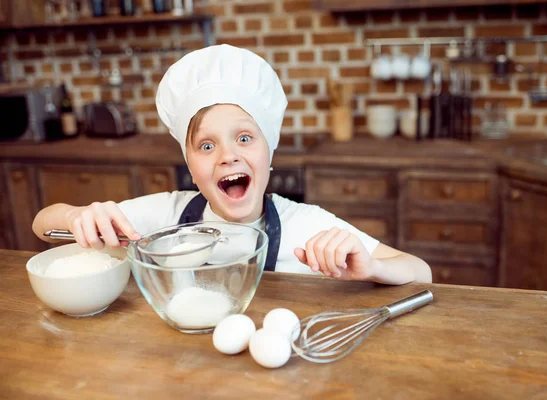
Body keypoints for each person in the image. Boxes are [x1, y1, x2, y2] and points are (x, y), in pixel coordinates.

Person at [32, 44, 431, 285]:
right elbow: (43, 225)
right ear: (190, 168)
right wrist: (77, 218)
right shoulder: (164, 219)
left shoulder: (304, 226)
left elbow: (419, 271)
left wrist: (373, 266)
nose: (228, 155)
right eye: (206, 145)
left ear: (268, 152)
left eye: (244, 138)